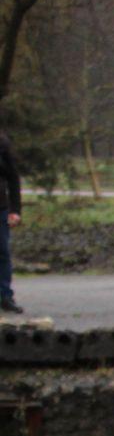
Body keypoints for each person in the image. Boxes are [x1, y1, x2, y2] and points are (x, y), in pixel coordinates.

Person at [0, 132, 22, 315]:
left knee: (3, 253)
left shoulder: (2, 142)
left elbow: (13, 178)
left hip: (1, 208)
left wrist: (15, 210)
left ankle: (5, 296)